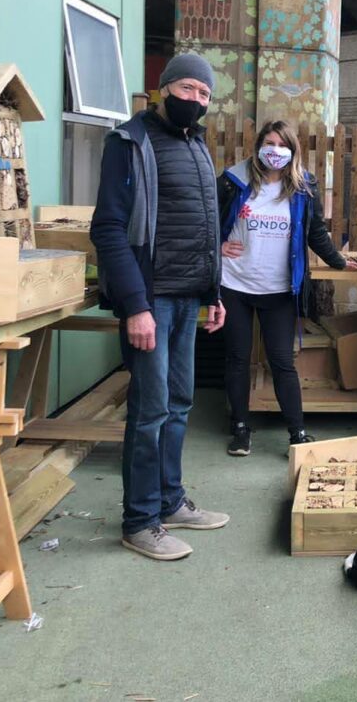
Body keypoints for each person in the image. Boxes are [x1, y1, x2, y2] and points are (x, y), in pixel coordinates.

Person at [90, 51, 229, 562]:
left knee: (179, 404)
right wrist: (135, 305)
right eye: (189, 89)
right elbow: (107, 228)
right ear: (165, 87)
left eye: (205, 95)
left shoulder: (196, 147)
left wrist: (212, 294)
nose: (197, 101)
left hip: (188, 299)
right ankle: (140, 520)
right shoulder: (129, 142)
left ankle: (170, 502)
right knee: (148, 413)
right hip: (151, 302)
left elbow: (206, 228)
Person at [216, 119, 357, 457]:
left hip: (279, 288)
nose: (275, 151)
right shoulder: (233, 181)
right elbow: (206, 219)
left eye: (282, 145)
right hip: (233, 283)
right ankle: (239, 428)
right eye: (269, 143)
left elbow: (315, 233)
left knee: (282, 361)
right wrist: (216, 245)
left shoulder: (303, 187)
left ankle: (297, 432)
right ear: (258, 146)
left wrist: (337, 260)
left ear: (293, 151)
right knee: (237, 359)